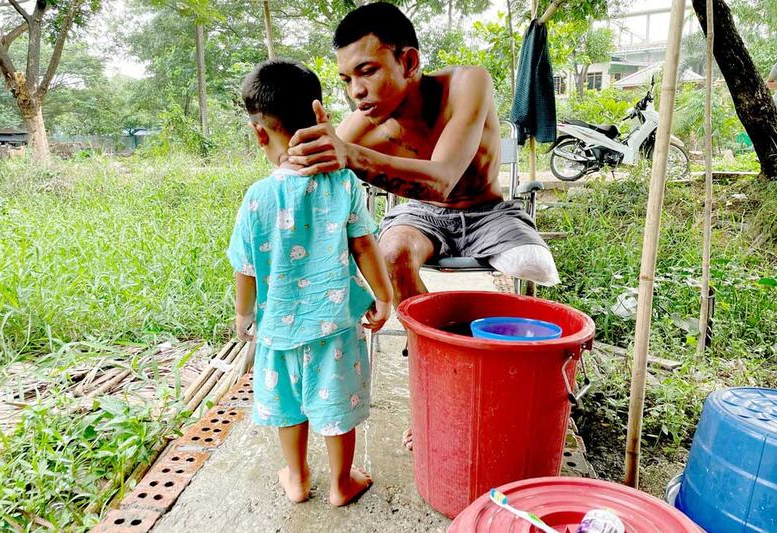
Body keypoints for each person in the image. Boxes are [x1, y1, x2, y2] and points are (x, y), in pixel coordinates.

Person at [286, 3, 558, 448]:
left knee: (535, 265)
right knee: (391, 254)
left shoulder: (467, 83)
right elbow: (305, 172)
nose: (355, 91)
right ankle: (438, 366)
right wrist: (300, 155)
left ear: (409, 61)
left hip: (488, 210)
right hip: (419, 216)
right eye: (346, 80)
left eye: (367, 71)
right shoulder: (360, 126)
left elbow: (444, 178)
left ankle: (508, 366)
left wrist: (350, 155)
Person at [228, 59, 393, 506]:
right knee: (336, 404)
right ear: (320, 114)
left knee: (288, 403)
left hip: (278, 329)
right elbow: (364, 246)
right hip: (335, 323)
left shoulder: (258, 196)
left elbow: (245, 266)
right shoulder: (343, 183)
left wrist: (245, 315)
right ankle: (341, 482)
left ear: (259, 133)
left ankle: (298, 478)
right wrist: (383, 296)